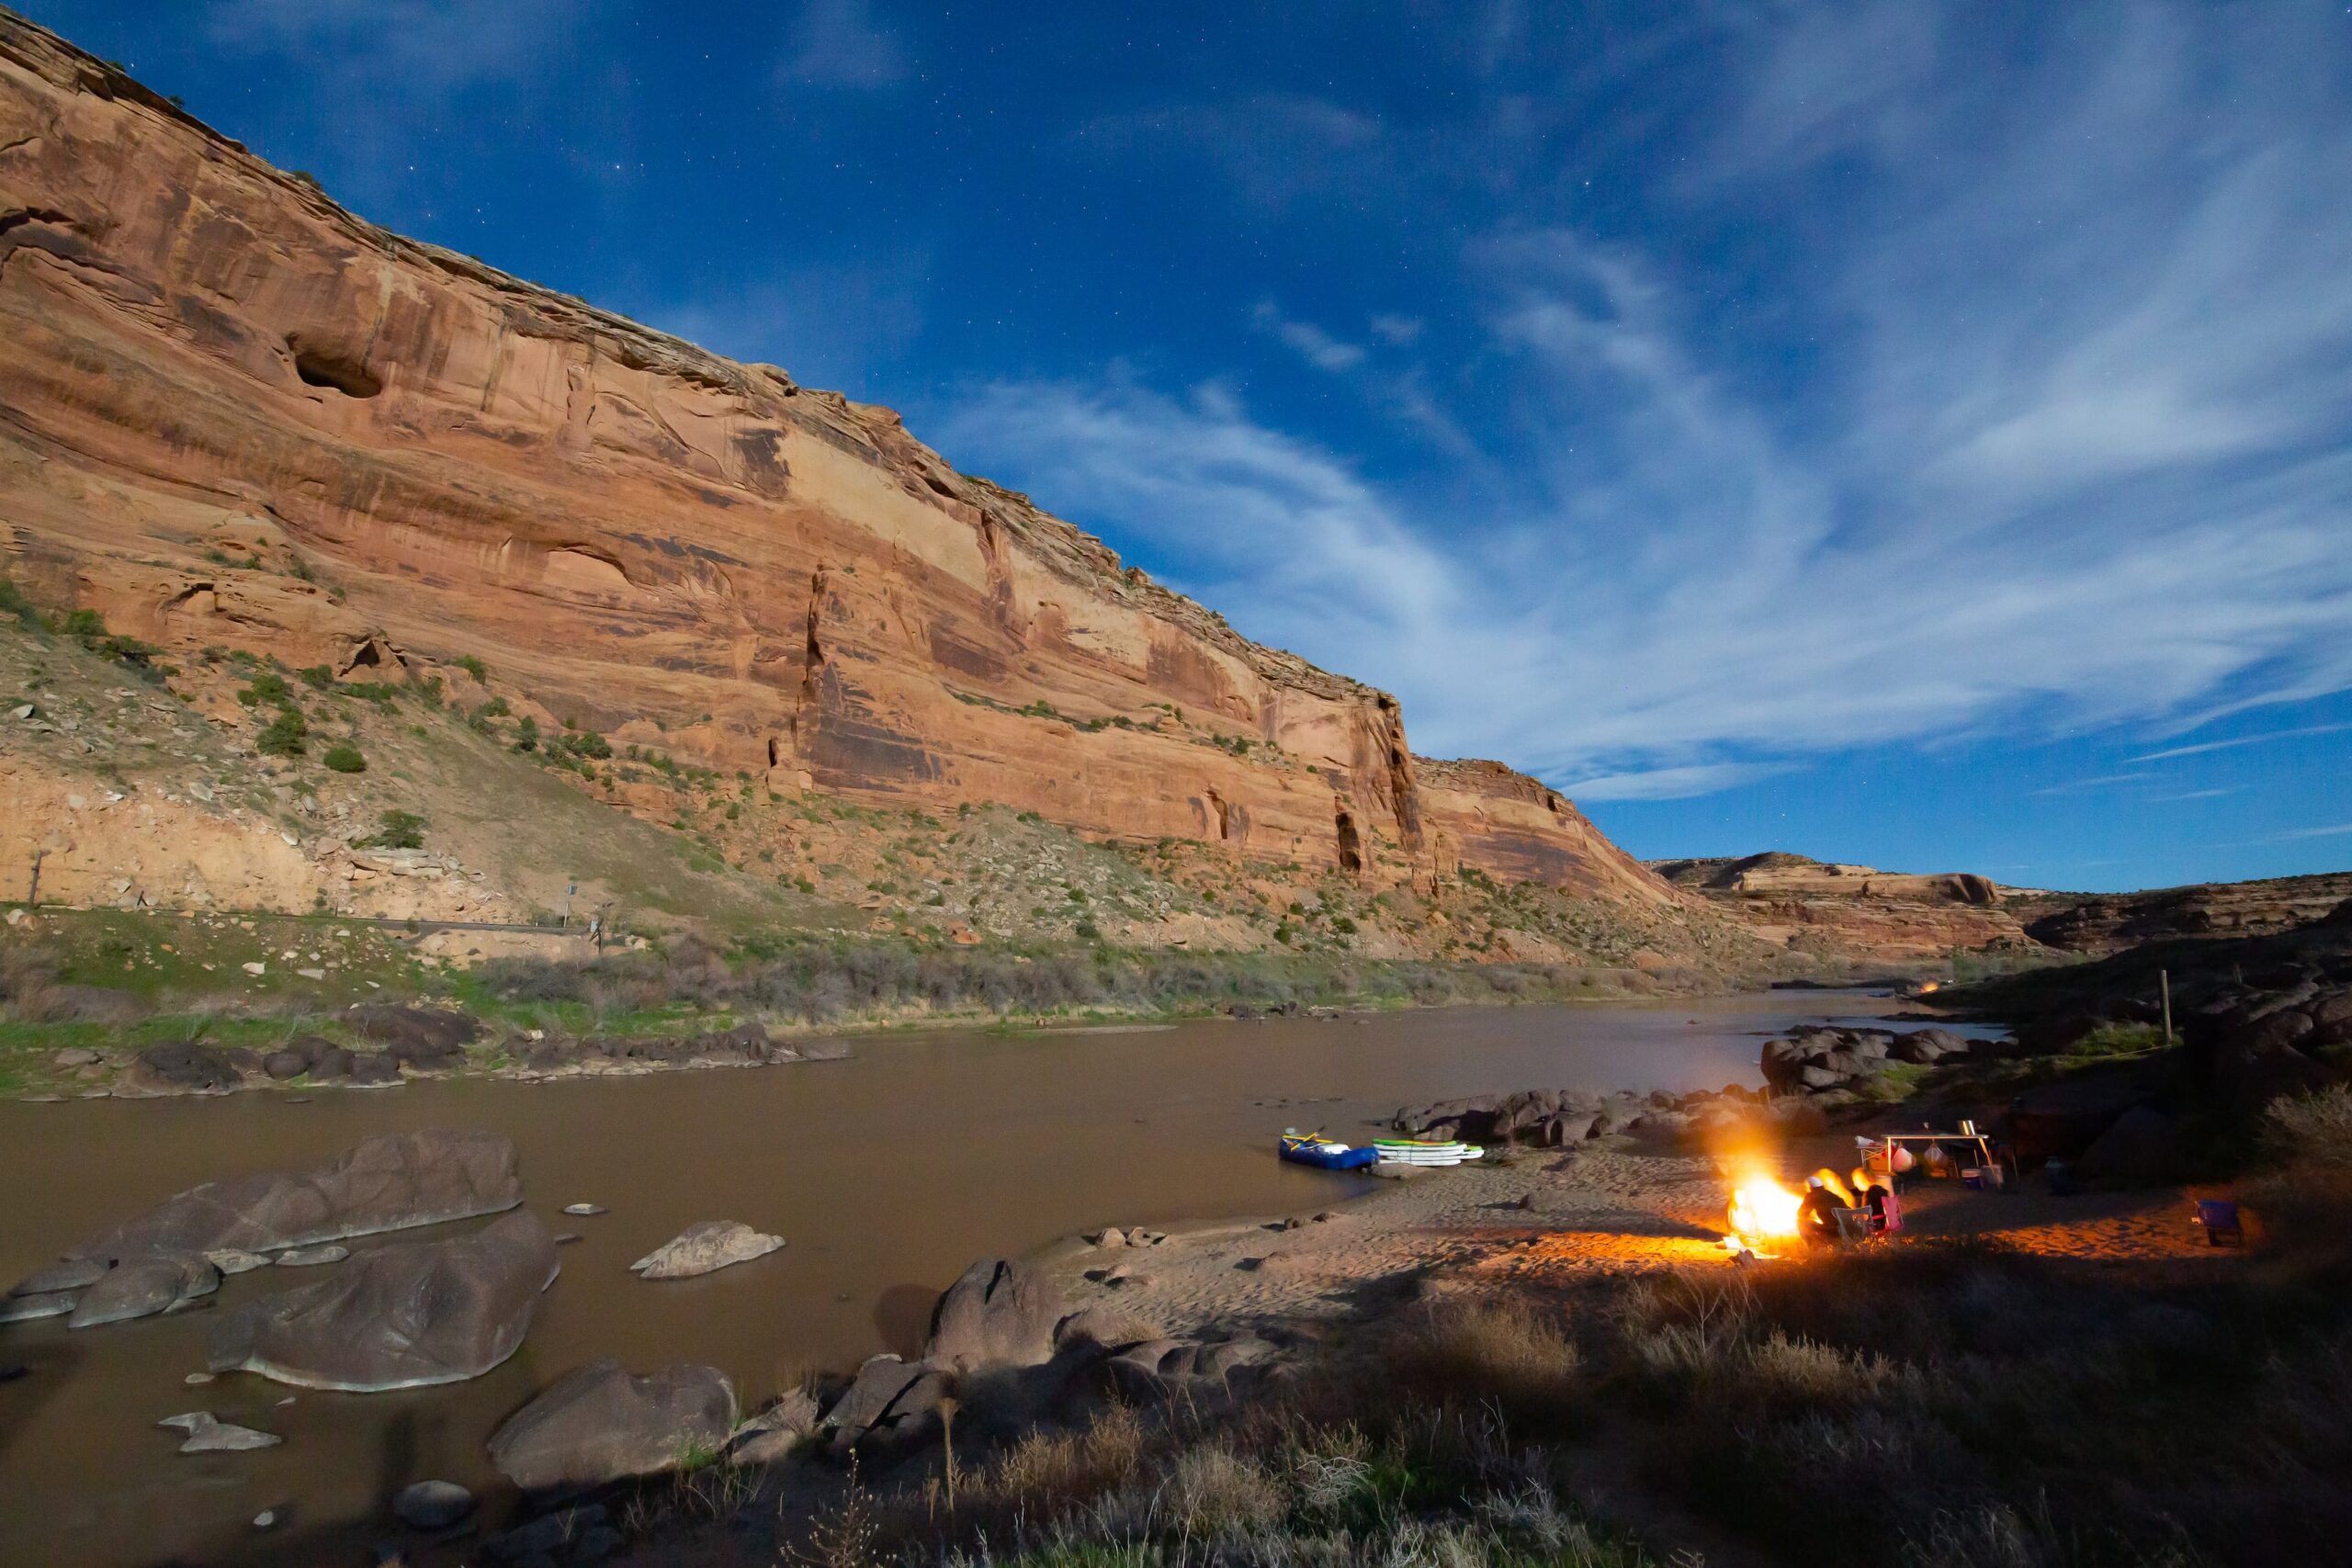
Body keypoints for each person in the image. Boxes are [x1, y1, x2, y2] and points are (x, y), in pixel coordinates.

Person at [1798, 1174, 1849, 1249]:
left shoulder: (1812, 1195)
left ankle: (1812, 1249)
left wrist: (1811, 1216)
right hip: (1847, 1227)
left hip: (1833, 1229)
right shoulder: (1831, 1195)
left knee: (1801, 1223)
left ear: (1810, 1187)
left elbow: (1801, 1214)